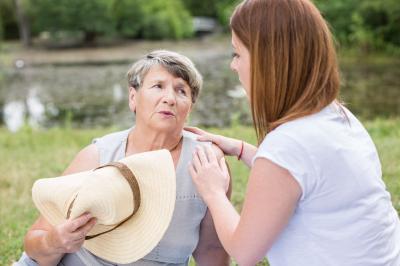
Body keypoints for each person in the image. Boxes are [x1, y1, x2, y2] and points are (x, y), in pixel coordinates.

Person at [187, 0, 400, 266]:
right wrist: (243, 150)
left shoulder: (288, 145)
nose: (233, 65)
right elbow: (301, 176)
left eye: (238, 54)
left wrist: (213, 191)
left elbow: (244, 250)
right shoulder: (336, 114)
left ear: (269, 61)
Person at [19, 50, 230, 266]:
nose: (169, 99)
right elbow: (35, 240)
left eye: (181, 91)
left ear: (190, 107)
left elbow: (212, 248)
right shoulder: (98, 155)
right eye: (158, 86)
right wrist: (54, 242)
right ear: (133, 98)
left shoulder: (206, 162)